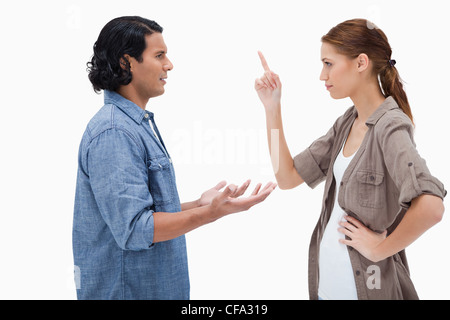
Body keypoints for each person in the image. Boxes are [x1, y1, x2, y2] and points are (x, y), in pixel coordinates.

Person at [73, 16, 276, 300]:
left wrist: (199, 204)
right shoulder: (113, 131)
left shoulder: (133, 125)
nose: (169, 64)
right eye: (159, 55)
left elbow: (141, 211)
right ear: (126, 62)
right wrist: (209, 213)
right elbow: (134, 230)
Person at [255, 18, 446, 300]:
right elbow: (287, 176)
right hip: (325, 290)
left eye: (328, 63)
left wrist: (379, 249)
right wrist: (272, 108)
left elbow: (432, 207)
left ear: (361, 63)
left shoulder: (391, 127)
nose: (322, 75)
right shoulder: (347, 122)